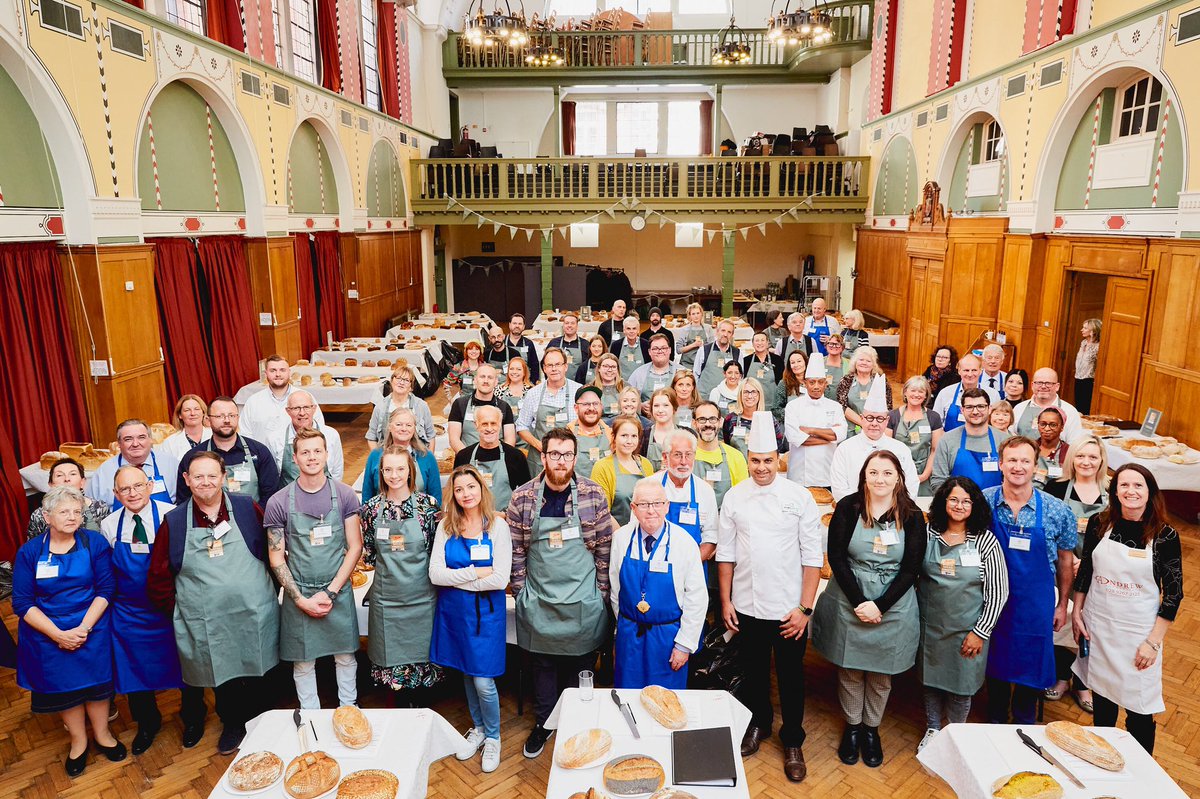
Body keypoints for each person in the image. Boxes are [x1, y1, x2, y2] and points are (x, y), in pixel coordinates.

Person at [146, 452, 280, 755]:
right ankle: (233, 724)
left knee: (260, 670)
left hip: (253, 612)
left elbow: (271, 553)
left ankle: (266, 723)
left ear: (223, 477)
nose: (205, 482)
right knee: (223, 676)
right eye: (198, 477)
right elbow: (158, 578)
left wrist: (265, 595)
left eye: (211, 475)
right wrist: (185, 612)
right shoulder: (175, 522)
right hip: (207, 620)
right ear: (186, 480)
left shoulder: (247, 509)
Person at [718, 411, 823, 783]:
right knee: (753, 672)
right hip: (746, 605)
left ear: (778, 459)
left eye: (767, 461)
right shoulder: (734, 497)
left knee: (793, 676)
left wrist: (805, 609)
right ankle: (759, 724)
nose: (761, 468)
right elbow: (726, 554)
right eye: (755, 461)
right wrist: (727, 601)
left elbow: (813, 557)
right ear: (746, 459)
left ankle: (793, 739)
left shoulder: (799, 497)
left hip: (788, 608)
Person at [812, 450, 924, 768]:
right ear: (864, 476)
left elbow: (911, 569)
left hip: (893, 601)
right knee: (850, 669)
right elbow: (836, 557)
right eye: (873, 472)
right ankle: (852, 726)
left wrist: (880, 606)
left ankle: (871, 729)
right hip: (850, 596)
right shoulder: (848, 507)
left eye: (887, 473)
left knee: (881, 672)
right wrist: (861, 602)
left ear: (898, 477)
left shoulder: (912, 515)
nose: (880, 479)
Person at [508, 428, 614, 758]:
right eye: (554, 454)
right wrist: (522, 591)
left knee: (579, 665)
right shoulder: (523, 497)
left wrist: (599, 593)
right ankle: (545, 724)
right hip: (539, 599)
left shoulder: (593, 494)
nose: (561, 461)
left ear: (575, 456)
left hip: (583, 600)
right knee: (542, 666)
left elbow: (604, 550)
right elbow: (516, 551)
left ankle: (577, 723)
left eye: (567, 454)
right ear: (543, 456)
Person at [13, 486, 125, 777]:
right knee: (66, 689)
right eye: (64, 511)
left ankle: (102, 734)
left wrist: (83, 628)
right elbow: (22, 602)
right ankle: (78, 740)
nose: (72, 517)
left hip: (91, 625)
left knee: (97, 685)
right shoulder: (30, 552)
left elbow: (106, 588)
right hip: (47, 631)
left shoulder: (94, 543)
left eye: (77, 511)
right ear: (47, 516)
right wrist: (57, 634)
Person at [1072, 464, 1182, 755]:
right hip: (1099, 627)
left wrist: (1152, 643)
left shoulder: (1164, 535)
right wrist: (1076, 612)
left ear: (1150, 492)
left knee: (1139, 712)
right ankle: (1104, 758)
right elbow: (1085, 570)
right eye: (1124, 485)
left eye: (1138, 486)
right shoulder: (1099, 522)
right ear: (1115, 490)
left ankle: (1142, 771)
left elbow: (1173, 595)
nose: (1131, 491)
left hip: (1138, 638)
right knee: (1103, 701)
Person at [264, 429, 363, 710]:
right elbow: (276, 557)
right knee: (303, 661)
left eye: (317, 451)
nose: (311, 457)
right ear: (295, 458)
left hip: (337, 589)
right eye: (305, 452)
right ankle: (310, 715)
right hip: (300, 592)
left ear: (326, 454)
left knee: (345, 657)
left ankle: (349, 709)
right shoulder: (279, 502)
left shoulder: (344, 495)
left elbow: (354, 547)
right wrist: (300, 600)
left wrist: (331, 592)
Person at [984, 436, 1077, 724]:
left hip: (1035, 604)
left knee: (1032, 663)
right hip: (990, 599)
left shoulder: (1057, 510)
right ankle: (996, 718)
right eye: (1012, 460)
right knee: (994, 661)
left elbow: (1065, 561)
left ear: (1035, 466)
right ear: (1000, 464)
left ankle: (1025, 721)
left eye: (1025, 460)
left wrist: (1063, 604)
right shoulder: (983, 502)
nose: (1018, 466)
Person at [101, 466, 192, 755]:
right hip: (130, 614)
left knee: (186, 666)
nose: (132, 493)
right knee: (135, 673)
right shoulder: (109, 525)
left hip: (169, 608)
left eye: (138, 486)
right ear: (116, 494)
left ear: (150, 485)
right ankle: (147, 723)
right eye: (125, 489)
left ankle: (193, 718)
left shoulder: (172, 515)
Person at [915, 477, 1009, 753]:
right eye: (953, 499)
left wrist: (980, 632)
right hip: (930, 626)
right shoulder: (928, 532)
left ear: (974, 505)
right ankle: (933, 729)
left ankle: (957, 734)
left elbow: (998, 591)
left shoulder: (985, 541)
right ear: (943, 502)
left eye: (966, 501)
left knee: (961, 685)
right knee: (930, 680)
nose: (959, 505)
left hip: (968, 630)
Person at [430, 466, 512, 774]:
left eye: (471, 487)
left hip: (486, 616)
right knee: (466, 672)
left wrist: (459, 581)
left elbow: (500, 578)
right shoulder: (446, 527)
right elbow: (435, 574)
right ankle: (477, 727)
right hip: (454, 614)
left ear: (481, 490)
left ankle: (493, 736)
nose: (466, 494)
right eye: (459, 489)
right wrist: (476, 574)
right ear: (453, 494)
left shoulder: (497, 527)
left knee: (483, 680)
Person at [359, 448, 443, 703]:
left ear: (410, 471)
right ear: (381, 473)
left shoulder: (428, 507)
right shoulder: (371, 510)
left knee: (422, 659)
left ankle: (421, 709)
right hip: (387, 600)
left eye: (400, 469)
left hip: (422, 598)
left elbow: (435, 551)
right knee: (391, 661)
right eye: (388, 470)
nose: (394, 475)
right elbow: (370, 554)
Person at [609, 479, 706, 689]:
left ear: (667, 506)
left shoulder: (684, 543)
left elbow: (697, 598)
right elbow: (615, 589)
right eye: (643, 504)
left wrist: (684, 645)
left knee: (666, 701)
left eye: (657, 503)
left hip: (668, 640)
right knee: (628, 696)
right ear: (633, 508)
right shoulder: (621, 538)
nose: (651, 510)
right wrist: (626, 625)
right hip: (630, 636)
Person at [1044, 434, 1110, 712]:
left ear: (1101, 461)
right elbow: (1047, 529)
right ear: (1073, 458)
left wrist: (1089, 562)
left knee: (1088, 626)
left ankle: (1082, 683)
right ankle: (1061, 677)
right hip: (1062, 568)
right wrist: (1067, 560)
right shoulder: (1056, 488)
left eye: (1093, 457)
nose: (1086, 462)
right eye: (1081, 456)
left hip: (1098, 570)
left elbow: (1116, 534)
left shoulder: (1112, 492)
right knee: (1061, 623)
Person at [829, 377, 919, 501]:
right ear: (862, 418)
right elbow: (839, 488)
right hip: (855, 513)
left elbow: (911, 485)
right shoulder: (845, 448)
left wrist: (889, 509)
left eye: (880, 419)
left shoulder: (900, 449)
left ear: (887, 420)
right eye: (870, 418)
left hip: (891, 514)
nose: (874, 423)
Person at [177, 397, 279, 506]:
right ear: (207, 419)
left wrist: (255, 518)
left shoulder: (259, 451)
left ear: (238, 417)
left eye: (231, 415)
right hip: (209, 521)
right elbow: (185, 500)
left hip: (253, 520)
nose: (227, 420)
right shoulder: (193, 457)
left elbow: (271, 496)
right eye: (220, 416)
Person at [784, 354, 847, 488]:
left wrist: (811, 430)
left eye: (820, 382)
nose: (816, 386)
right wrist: (829, 437)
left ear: (826, 383)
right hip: (799, 476)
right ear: (805, 383)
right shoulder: (793, 407)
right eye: (812, 382)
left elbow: (841, 435)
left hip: (826, 473)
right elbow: (795, 438)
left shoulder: (835, 407)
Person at [454, 404, 531, 514]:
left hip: (506, 520)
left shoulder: (515, 456)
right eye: (484, 424)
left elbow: (526, 496)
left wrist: (506, 516)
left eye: (493, 423)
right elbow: (456, 493)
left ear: (500, 424)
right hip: (472, 521)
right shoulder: (463, 456)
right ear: (476, 425)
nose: (489, 429)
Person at [930, 388, 1009, 493]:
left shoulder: (1005, 441)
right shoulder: (947, 440)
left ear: (989, 409)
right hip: (958, 507)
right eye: (969, 407)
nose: (975, 411)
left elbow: (1012, 478)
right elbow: (938, 481)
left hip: (994, 506)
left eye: (981, 406)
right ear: (962, 410)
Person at [87, 419, 179, 508]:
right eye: (128, 439)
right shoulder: (103, 473)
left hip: (164, 523)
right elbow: (91, 511)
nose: (135, 444)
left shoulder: (171, 464)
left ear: (150, 439)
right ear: (119, 443)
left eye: (141, 437)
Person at [655, 429, 718, 558]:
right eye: (677, 455)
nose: (683, 461)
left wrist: (691, 565)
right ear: (665, 457)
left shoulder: (705, 490)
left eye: (688, 454)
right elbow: (637, 529)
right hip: (656, 565)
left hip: (694, 565)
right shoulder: (650, 486)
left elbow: (711, 535)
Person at [517, 348, 580, 474]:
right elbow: (521, 426)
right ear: (544, 369)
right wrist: (539, 445)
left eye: (558, 364)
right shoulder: (533, 393)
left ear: (565, 366)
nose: (554, 368)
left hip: (568, 460)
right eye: (550, 365)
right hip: (541, 461)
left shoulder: (578, 391)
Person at [361, 407, 442, 505]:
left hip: (420, 517)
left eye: (408, 425)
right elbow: (367, 495)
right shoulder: (375, 455)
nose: (404, 429)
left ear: (414, 429)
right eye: (398, 424)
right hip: (381, 517)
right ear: (390, 427)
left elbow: (436, 496)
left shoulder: (426, 456)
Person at [240, 355, 326, 442]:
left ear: (289, 372)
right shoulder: (253, 402)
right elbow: (245, 434)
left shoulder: (305, 397)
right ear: (266, 373)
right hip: (262, 454)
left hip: (298, 453)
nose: (278, 374)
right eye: (273, 370)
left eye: (282, 370)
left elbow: (319, 428)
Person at [590, 415, 656, 526]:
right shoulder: (602, 467)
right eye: (624, 435)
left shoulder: (646, 465)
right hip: (615, 534)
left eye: (634, 436)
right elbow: (602, 511)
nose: (629, 441)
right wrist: (623, 537)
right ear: (614, 437)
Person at [269, 390, 344, 488]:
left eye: (306, 407)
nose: (302, 413)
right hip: (289, 499)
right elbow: (273, 476)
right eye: (296, 408)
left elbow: (337, 472)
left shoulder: (331, 435)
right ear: (288, 411)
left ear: (314, 409)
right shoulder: (275, 438)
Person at [886, 376, 943, 496]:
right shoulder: (893, 416)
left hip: (924, 474)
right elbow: (887, 449)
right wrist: (897, 474)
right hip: (897, 473)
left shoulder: (934, 417)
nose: (916, 394)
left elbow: (935, 450)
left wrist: (924, 476)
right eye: (913, 390)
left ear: (926, 395)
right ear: (905, 392)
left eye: (921, 391)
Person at [27, 458, 110, 539]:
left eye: (73, 474)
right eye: (59, 475)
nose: (67, 479)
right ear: (51, 484)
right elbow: (34, 548)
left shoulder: (100, 508)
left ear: (82, 482)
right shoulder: (40, 515)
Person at [447, 364, 517, 452]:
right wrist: (468, 458)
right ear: (475, 380)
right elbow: (454, 439)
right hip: (467, 460)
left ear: (496, 382)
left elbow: (510, 440)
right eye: (482, 377)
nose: (486, 381)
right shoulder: (460, 404)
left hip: (497, 459)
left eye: (490, 377)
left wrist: (502, 458)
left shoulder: (504, 407)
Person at [692, 401, 748, 509]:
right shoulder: (686, 457)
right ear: (694, 423)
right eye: (702, 419)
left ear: (720, 422)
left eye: (713, 419)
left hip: (726, 521)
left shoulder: (736, 457)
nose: (708, 424)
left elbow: (742, 499)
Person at [366, 364, 435, 447]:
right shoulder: (381, 407)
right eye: (398, 378)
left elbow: (430, 436)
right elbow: (371, 437)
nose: (401, 382)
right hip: (387, 455)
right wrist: (379, 458)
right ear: (391, 381)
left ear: (411, 387)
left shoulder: (421, 406)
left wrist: (428, 459)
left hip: (416, 456)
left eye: (406, 380)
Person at [1011, 368, 1084, 443]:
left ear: (1057, 386)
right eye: (1039, 383)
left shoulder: (1070, 411)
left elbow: (1074, 444)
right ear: (1032, 385)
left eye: (1048, 383)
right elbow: (1010, 436)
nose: (1043, 386)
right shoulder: (1019, 408)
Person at [932, 354, 998, 433]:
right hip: (952, 443)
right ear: (959, 371)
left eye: (974, 370)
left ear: (981, 371)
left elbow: (996, 423)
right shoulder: (945, 393)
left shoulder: (993, 394)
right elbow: (936, 425)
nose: (970, 374)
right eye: (966, 370)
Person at [837, 346, 892, 436]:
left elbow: (888, 407)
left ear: (873, 365)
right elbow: (843, 407)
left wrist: (871, 424)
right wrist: (863, 423)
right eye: (861, 360)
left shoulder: (880, 380)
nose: (864, 363)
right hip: (851, 427)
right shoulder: (846, 380)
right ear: (855, 362)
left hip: (875, 427)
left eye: (868, 361)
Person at [724, 378, 783, 460]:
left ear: (759, 394)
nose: (750, 396)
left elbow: (778, 445)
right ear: (740, 394)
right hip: (737, 468)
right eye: (746, 392)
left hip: (761, 469)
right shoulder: (730, 419)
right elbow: (727, 446)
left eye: (753, 392)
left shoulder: (768, 419)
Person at [568, 386, 613, 481]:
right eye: (586, 404)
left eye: (595, 403)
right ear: (576, 408)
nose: (591, 408)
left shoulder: (611, 434)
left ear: (601, 406)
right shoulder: (567, 434)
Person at [694, 319, 740, 400]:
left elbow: (740, 377)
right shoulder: (704, 350)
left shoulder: (737, 353)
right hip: (705, 398)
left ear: (732, 335)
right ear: (717, 331)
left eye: (729, 332)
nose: (725, 334)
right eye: (723, 330)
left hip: (728, 399)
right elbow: (696, 374)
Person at [629, 334, 679, 407]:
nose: (660, 351)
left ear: (670, 350)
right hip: (645, 417)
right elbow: (627, 397)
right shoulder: (639, 373)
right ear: (649, 352)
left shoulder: (680, 371)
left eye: (664, 348)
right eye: (655, 348)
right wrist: (640, 406)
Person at [159, 394, 211, 463]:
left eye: (197, 409)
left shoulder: (215, 435)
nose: (193, 413)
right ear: (180, 415)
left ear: (203, 412)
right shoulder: (170, 443)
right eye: (187, 410)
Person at [742, 332, 784, 413]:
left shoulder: (777, 360)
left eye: (762, 340)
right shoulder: (746, 361)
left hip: (772, 405)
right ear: (753, 344)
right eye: (757, 340)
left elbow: (781, 383)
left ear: (767, 343)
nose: (760, 343)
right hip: (751, 406)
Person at [645, 388, 684, 471]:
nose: (660, 410)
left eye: (665, 405)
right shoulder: (643, 436)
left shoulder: (686, 434)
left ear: (674, 408)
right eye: (656, 406)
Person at [1033, 407, 1069, 488]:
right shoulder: (1029, 448)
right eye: (1043, 424)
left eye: (1053, 425)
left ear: (1062, 427)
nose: (1047, 429)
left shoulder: (1068, 452)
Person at [1073, 318, 1101, 415]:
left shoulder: (1098, 346)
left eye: (1085, 328)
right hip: (1078, 378)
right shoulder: (1083, 342)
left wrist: (1092, 341)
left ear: (1093, 331)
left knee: (1085, 408)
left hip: (1088, 380)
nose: (1082, 330)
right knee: (1078, 406)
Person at [675, 301, 713, 371]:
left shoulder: (708, 328)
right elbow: (678, 350)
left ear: (701, 314)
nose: (696, 316)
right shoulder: (684, 330)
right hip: (687, 365)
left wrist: (703, 346)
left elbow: (713, 347)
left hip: (703, 364)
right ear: (689, 316)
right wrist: (693, 345)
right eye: (693, 314)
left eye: (698, 313)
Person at [612, 315, 650, 381]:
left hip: (641, 383)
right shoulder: (616, 346)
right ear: (624, 330)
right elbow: (612, 367)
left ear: (638, 330)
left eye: (634, 328)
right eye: (628, 328)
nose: (631, 331)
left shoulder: (646, 345)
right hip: (621, 384)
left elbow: (649, 366)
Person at [506, 313, 541, 383]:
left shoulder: (529, 343)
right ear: (509, 325)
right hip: (506, 381)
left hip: (525, 382)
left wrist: (532, 383)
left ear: (524, 326)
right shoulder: (502, 343)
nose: (517, 326)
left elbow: (535, 366)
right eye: (514, 323)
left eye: (520, 324)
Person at [549, 311, 587, 375]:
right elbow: (546, 363)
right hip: (557, 383)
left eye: (572, 323)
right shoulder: (554, 343)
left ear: (577, 326)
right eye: (567, 323)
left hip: (579, 384)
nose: (569, 325)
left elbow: (588, 366)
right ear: (563, 326)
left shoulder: (585, 344)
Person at [590, 353, 626, 421]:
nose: (609, 370)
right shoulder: (591, 388)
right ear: (599, 368)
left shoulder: (625, 386)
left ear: (617, 369)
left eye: (613, 367)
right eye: (606, 366)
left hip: (621, 424)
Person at [822, 335, 847, 400]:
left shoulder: (848, 364)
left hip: (840, 403)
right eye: (830, 343)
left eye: (837, 344)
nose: (834, 346)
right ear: (826, 345)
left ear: (842, 347)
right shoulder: (819, 362)